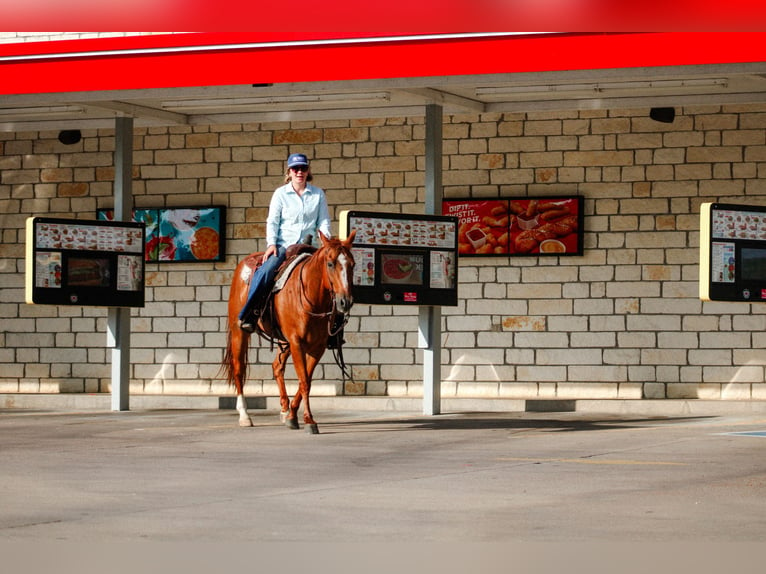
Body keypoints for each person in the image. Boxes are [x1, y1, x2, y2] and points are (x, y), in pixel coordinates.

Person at [238, 153, 332, 332]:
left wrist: (325, 240)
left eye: (303, 168)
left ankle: (334, 326)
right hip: (284, 245)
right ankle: (251, 313)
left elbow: (323, 221)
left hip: (309, 245)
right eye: (295, 169)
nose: (299, 172)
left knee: (333, 275)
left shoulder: (318, 194)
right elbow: (272, 221)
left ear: (308, 171)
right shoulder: (281, 194)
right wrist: (271, 244)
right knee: (266, 271)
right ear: (289, 172)